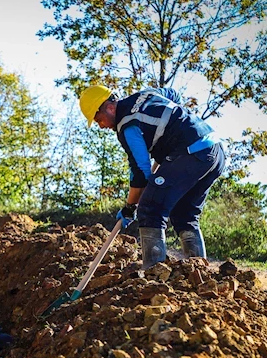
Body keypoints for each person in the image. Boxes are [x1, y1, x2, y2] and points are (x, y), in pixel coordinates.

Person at [79, 84, 226, 269]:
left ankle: (154, 274)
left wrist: (130, 207)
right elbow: (174, 95)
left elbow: (141, 173)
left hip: (190, 154)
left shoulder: (127, 126)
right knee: (184, 215)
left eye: (99, 119)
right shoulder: (147, 94)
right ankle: (199, 273)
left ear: (109, 107)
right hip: (214, 150)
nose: (101, 126)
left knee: (150, 208)